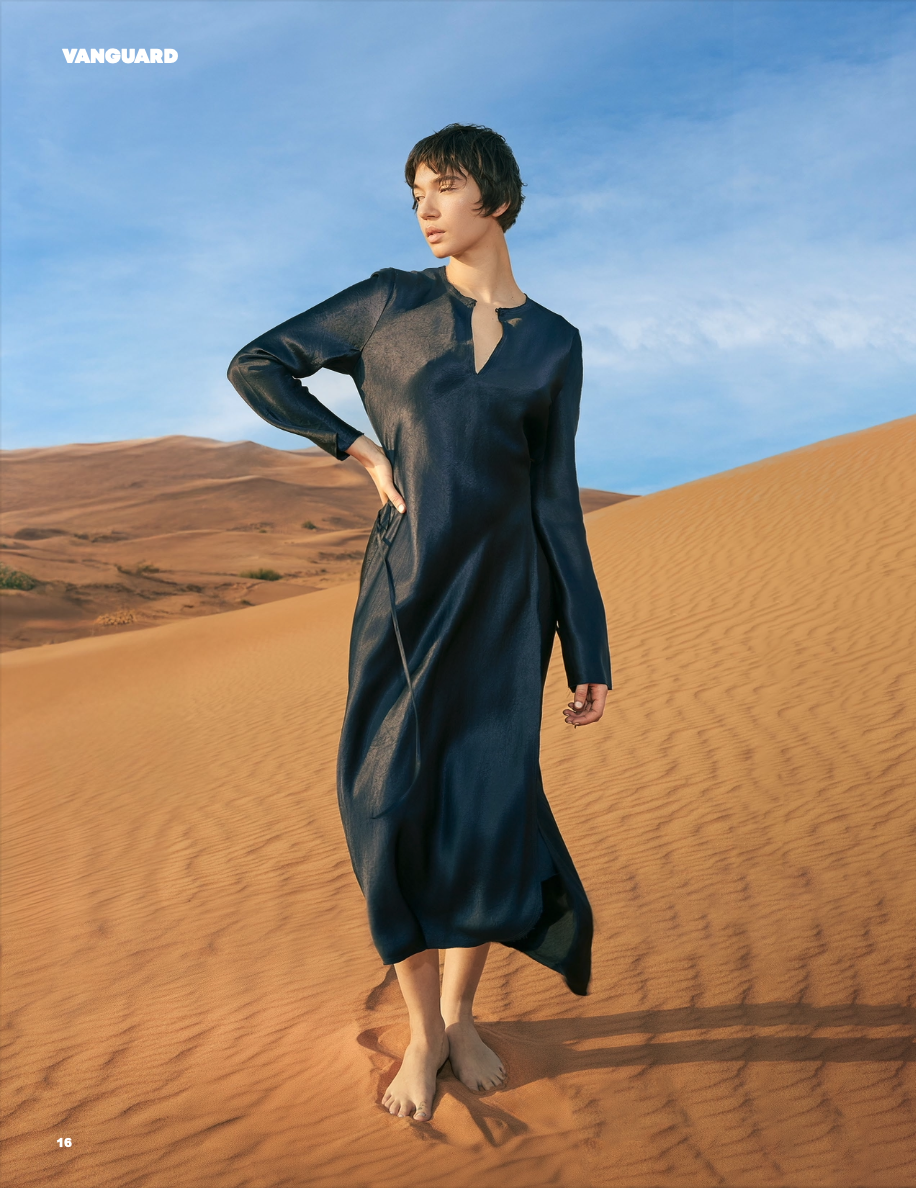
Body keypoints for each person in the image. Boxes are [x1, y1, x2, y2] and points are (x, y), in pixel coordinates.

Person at [228, 123, 611, 1123]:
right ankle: (419, 1029)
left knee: (484, 810)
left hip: (508, 605)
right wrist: (354, 447)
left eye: (443, 187)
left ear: (498, 198)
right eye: (414, 195)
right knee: (384, 803)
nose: (426, 209)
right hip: (402, 592)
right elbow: (257, 363)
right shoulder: (389, 302)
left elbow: (556, 501)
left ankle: (457, 1017)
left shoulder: (554, 343)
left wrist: (588, 646)